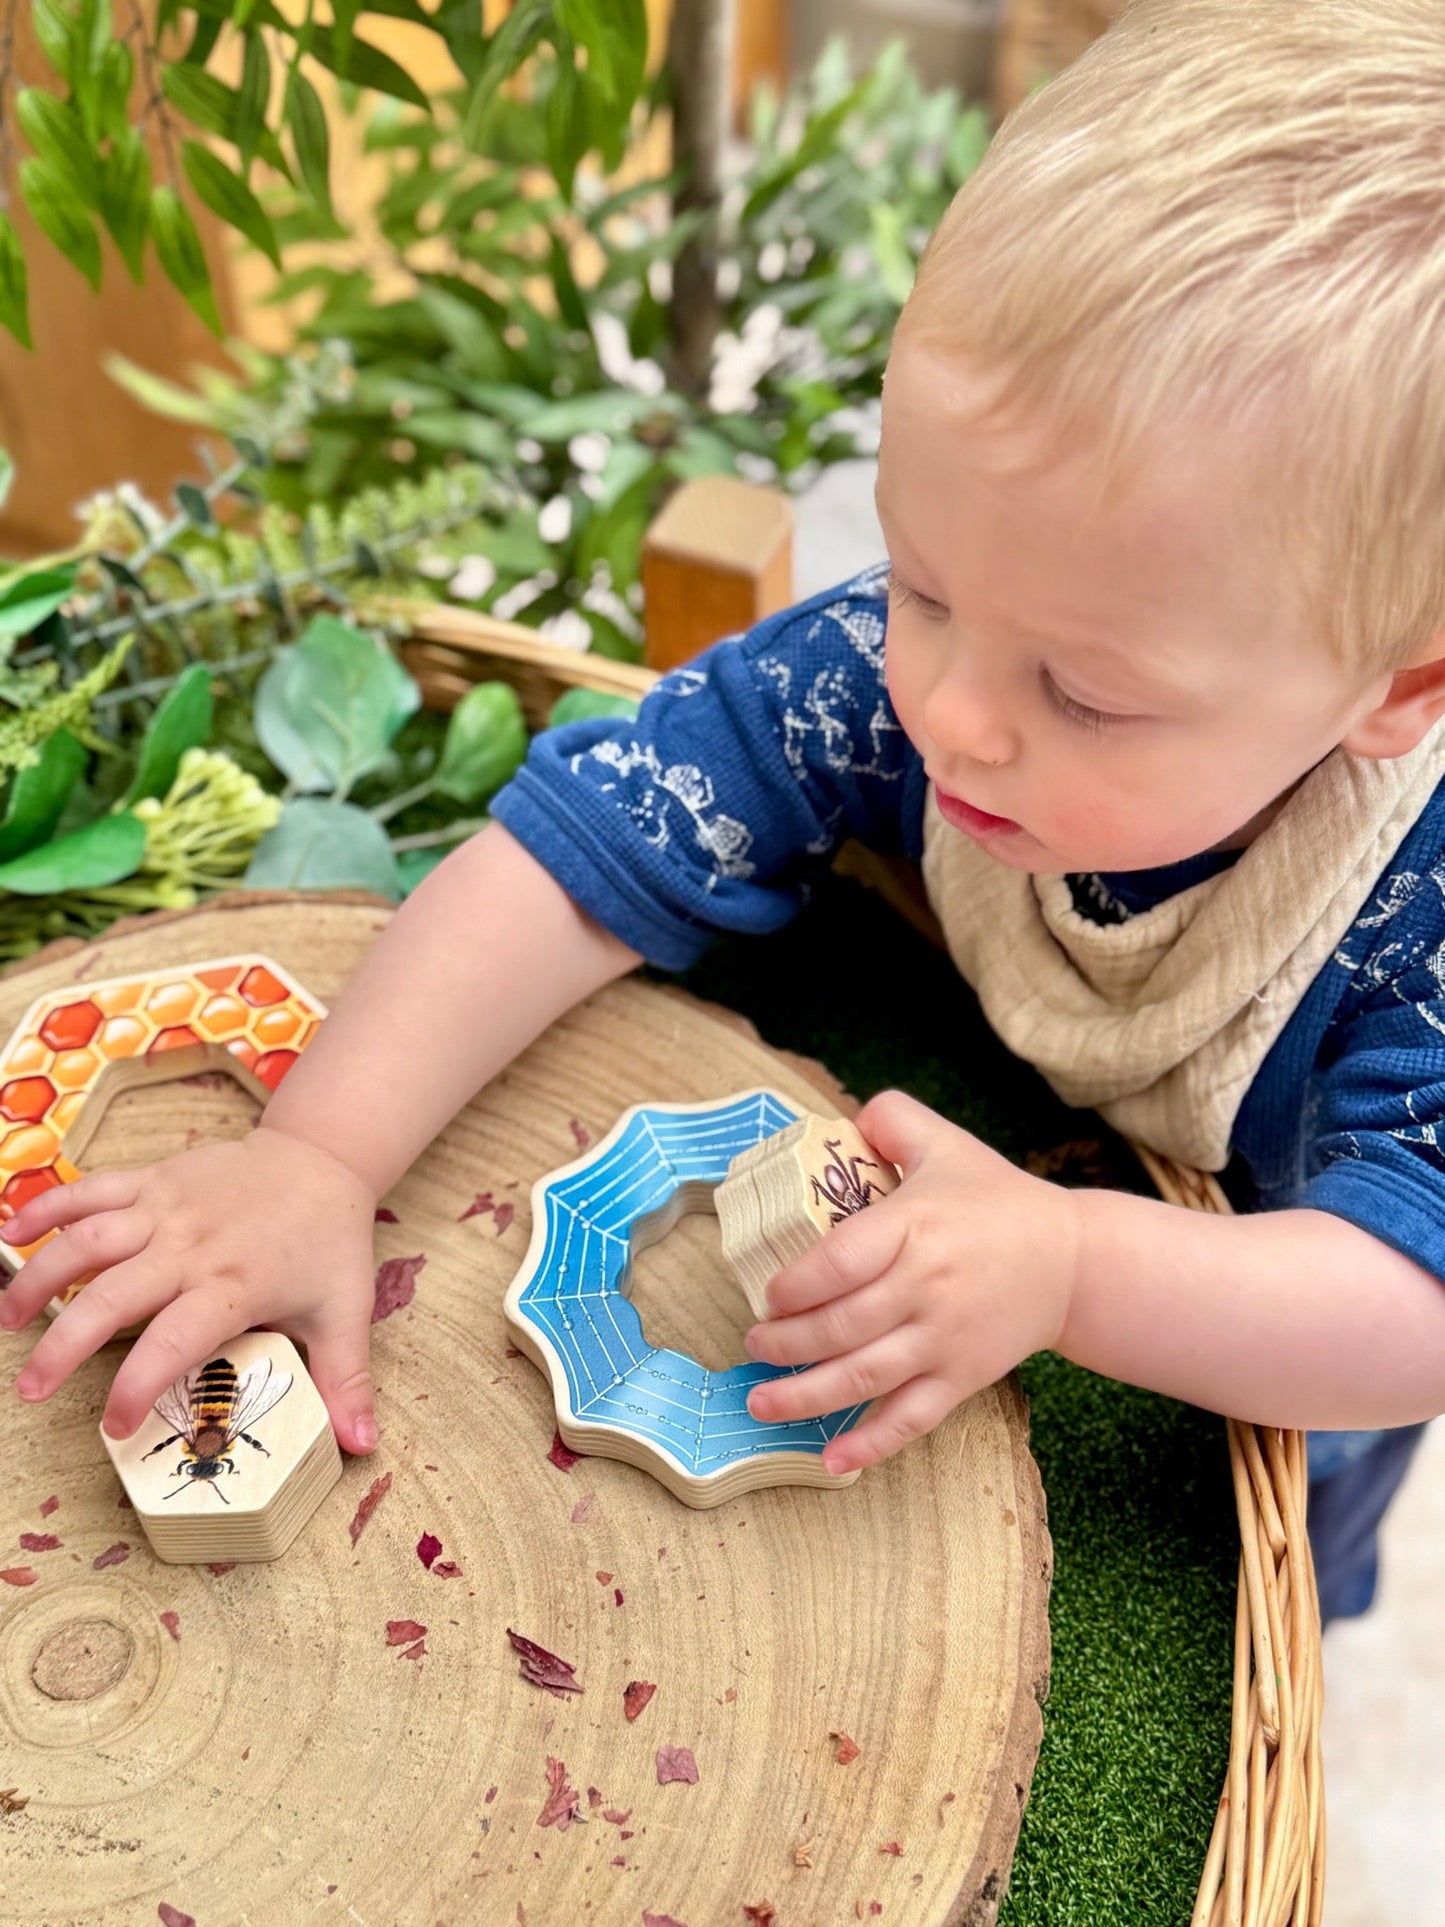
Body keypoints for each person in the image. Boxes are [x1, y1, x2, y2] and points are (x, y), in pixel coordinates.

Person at [3, 0, 1443, 1626]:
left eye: (1087, 697)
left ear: (1396, 690)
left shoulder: (1421, 919)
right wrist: (318, 1155)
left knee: (1267, 1590)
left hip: (1245, 1353)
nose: (950, 710)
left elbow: (1406, 1305)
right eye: (920, 580)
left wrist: (1074, 1268)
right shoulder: (907, 664)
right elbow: (583, 844)